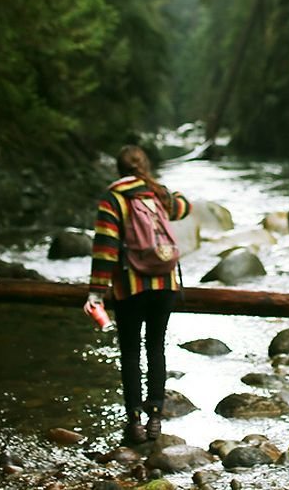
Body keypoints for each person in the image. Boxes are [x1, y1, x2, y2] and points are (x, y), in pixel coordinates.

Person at [84, 144, 191, 443]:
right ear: (144, 166)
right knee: (156, 348)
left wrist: (96, 292)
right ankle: (156, 418)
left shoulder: (113, 198)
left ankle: (134, 423)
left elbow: (105, 248)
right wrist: (163, 187)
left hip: (130, 286)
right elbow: (186, 207)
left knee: (131, 353)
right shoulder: (158, 193)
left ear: (118, 169)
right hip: (165, 285)